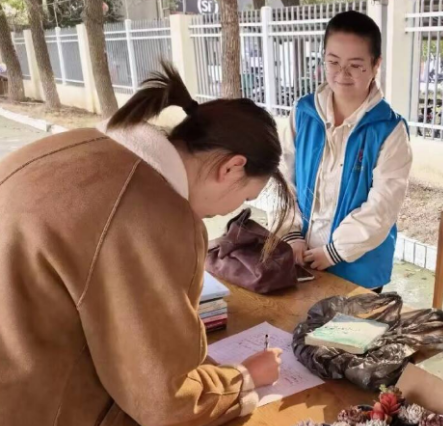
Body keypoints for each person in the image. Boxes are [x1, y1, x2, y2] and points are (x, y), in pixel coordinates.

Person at [0, 63, 290, 426]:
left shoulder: (75, 146)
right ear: (231, 168)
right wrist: (244, 377)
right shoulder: (150, 213)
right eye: (246, 196)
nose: (235, 209)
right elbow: (165, 401)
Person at [279, 10, 412, 291]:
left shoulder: (390, 130)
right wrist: (290, 233)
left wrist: (334, 251)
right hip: (299, 259)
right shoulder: (302, 114)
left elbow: (382, 207)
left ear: (376, 65)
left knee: (345, 335)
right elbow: (280, 178)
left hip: (358, 273)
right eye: (333, 62)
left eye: (355, 65)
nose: (342, 74)